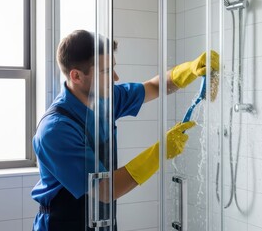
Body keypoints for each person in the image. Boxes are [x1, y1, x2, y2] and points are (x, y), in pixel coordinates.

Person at [31, 30, 219, 231]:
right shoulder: (55, 130)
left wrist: (190, 69)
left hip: (100, 220)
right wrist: (160, 151)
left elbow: (153, 87)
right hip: (62, 225)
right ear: (76, 76)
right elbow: (105, 189)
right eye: (105, 71)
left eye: (113, 68)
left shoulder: (105, 100)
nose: (115, 77)